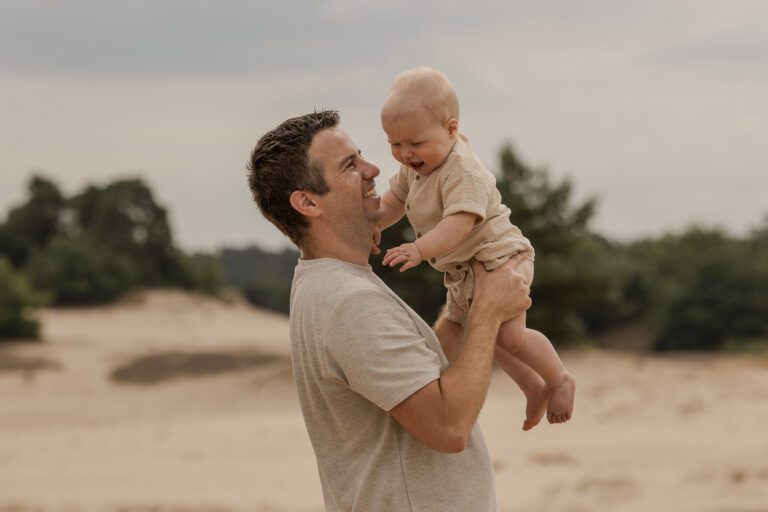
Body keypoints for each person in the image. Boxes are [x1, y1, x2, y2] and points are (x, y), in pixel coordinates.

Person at [248, 110, 531, 511]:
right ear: (308, 202)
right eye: (350, 165)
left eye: (361, 155)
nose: (374, 169)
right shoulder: (350, 302)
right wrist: (487, 312)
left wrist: (462, 307)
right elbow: (448, 426)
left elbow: (424, 379)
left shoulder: (328, 284)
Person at [376, 66, 575, 429]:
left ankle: (558, 378)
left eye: (415, 143)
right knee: (477, 337)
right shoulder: (416, 166)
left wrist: (418, 249)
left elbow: (458, 224)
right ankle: (531, 386)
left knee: (509, 335)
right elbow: (393, 200)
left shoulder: (463, 170)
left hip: (500, 257)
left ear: (451, 129)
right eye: (394, 144)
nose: (405, 154)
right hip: (464, 269)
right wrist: (372, 224)